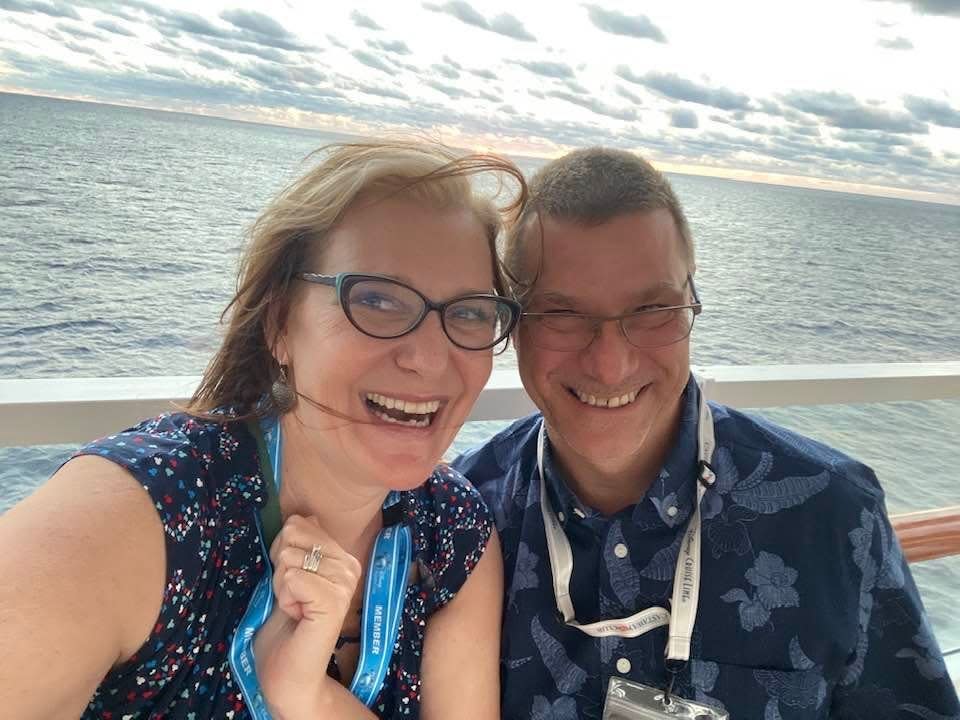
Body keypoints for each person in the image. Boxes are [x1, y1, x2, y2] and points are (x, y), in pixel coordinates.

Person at [0, 140, 525, 719]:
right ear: (280, 324)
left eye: (471, 311)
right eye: (376, 299)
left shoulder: (451, 527)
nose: (429, 358)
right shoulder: (143, 514)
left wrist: (305, 694)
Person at [453, 148, 960, 719]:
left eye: (652, 309)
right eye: (561, 314)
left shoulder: (833, 514)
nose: (610, 364)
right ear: (514, 324)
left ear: (691, 301)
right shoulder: (463, 520)